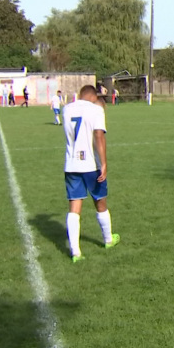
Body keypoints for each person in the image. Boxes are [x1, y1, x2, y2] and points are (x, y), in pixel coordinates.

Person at [62, 85, 120, 262]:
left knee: (74, 207)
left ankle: (75, 252)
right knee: (100, 201)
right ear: (93, 97)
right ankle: (108, 239)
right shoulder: (95, 110)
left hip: (71, 164)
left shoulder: (66, 109)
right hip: (91, 165)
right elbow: (99, 136)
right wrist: (103, 163)